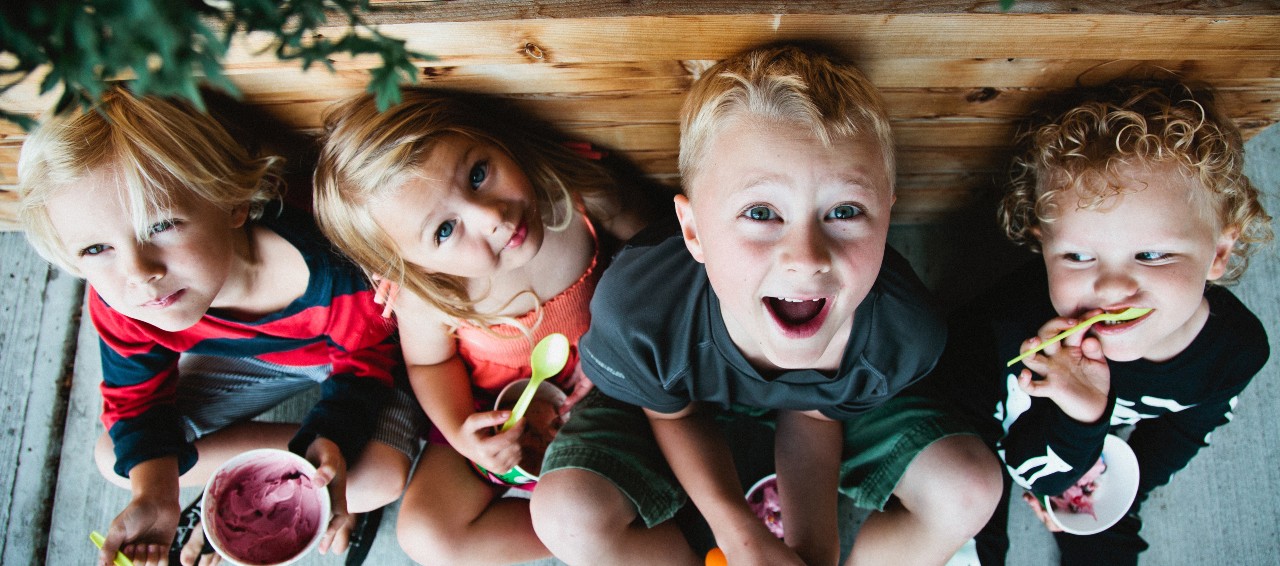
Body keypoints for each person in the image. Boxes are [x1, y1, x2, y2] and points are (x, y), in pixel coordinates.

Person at [529, 44, 1003, 566]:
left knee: (969, 488)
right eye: (761, 212)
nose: (806, 259)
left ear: (887, 220)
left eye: (844, 210)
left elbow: (818, 415)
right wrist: (740, 539)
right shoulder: (641, 311)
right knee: (563, 515)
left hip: (827, 412)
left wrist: (815, 549)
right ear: (694, 232)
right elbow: (673, 414)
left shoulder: (902, 333)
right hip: (673, 401)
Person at [16, 87, 421, 566]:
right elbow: (135, 401)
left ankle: (309, 477)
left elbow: (365, 364)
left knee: (379, 477)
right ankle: (281, 478)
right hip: (259, 360)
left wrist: (333, 435)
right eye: (95, 250)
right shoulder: (127, 301)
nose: (139, 272)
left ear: (231, 200)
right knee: (117, 458)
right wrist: (157, 493)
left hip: (363, 360)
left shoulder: (337, 269)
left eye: (161, 225)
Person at [929, 78, 1273, 565]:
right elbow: (1036, 471)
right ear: (1042, 246)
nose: (1111, 289)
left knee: (1108, 534)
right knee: (971, 521)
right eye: (1077, 255)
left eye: (1151, 255)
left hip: (1078, 436)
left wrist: (1119, 489)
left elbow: (1187, 429)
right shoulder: (1032, 336)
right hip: (992, 401)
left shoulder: (1236, 351)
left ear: (1218, 253)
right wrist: (1080, 415)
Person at [312, 88, 652, 565]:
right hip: (492, 409)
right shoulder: (430, 293)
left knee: (589, 493)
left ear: (490, 136)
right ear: (409, 263)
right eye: (445, 230)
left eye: (477, 174)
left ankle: (598, 516)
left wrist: (625, 345)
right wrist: (461, 433)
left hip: (606, 387)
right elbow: (430, 364)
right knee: (427, 533)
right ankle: (589, 528)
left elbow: (658, 252)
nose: (491, 216)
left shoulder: (576, 197)